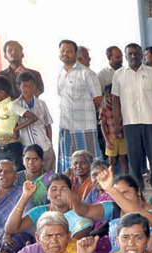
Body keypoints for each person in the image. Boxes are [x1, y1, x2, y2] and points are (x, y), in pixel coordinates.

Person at [112, 43, 152, 190]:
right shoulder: (119, 75)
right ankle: (136, 185)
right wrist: (117, 124)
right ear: (126, 56)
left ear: (142, 54)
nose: (133, 56)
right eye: (130, 54)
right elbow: (115, 100)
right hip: (130, 121)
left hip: (151, 119)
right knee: (133, 155)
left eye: (136, 53)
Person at [56, 39, 103, 173]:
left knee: (89, 163)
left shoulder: (87, 73)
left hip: (84, 127)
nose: (65, 53)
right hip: (66, 127)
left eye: (69, 51)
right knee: (69, 164)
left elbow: (98, 100)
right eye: (63, 50)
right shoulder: (60, 73)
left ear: (76, 54)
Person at [5, 175, 92, 240]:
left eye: (63, 189)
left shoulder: (81, 216)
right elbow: (11, 228)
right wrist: (25, 196)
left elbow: (70, 247)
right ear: (47, 195)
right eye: (54, 189)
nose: (59, 193)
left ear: (71, 192)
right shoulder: (40, 211)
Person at [0, 75, 38, 168]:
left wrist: (16, 129)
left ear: (2, 92)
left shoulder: (12, 106)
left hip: (12, 147)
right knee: (2, 170)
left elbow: (33, 117)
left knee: (16, 171)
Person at [13, 72, 55, 172]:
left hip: (45, 147)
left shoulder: (41, 104)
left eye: (31, 86)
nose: (28, 89)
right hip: (27, 148)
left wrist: (50, 143)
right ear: (19, 87)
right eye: (25, 86)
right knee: (32, 176)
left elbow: (48, 125)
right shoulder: (14, 105)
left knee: (48, 176)